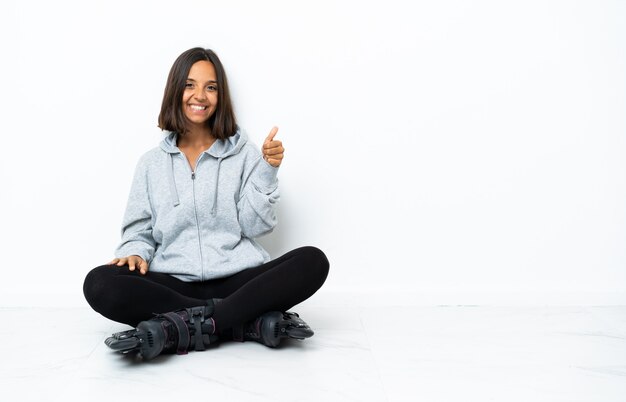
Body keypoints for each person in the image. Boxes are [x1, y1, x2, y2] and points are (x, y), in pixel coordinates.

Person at [83, 47, 330, 360]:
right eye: (189, 85)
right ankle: (243, 322)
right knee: (99, 283)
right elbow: (139, 230)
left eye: (210, 87)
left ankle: (180, 328)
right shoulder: (151, 164)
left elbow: (257, 226)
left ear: (220, 95)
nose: (200, 95)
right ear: (175, 90)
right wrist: (134, 252)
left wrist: (267, 171)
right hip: (174, 286)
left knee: (313, 260)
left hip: (238, 280)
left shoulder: (244, 154)